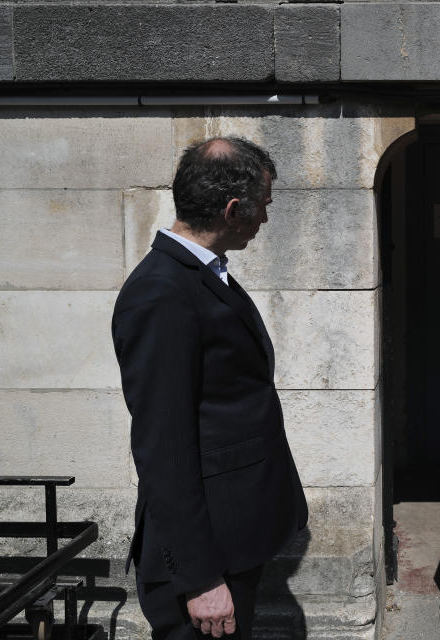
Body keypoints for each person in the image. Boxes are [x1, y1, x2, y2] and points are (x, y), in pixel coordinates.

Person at [112, 137, 308, 639]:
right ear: (232, 209)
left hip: (233, 538)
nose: (265, 219)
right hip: (205, 562)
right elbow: (163, 448)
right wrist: (199, 579)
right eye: (263, 207)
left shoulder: (201, 274)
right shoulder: (160, 294)